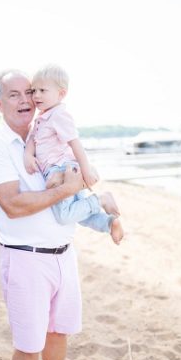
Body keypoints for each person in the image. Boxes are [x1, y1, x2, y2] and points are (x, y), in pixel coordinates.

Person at [0, 70, 89, 360]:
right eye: (13, 95)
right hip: (24, 259)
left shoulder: (47, 132)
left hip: (64, 254)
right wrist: (67, 190)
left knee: (58, 332)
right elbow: (13, 204)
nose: (24, 99)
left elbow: (77, 171)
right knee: (29, 343)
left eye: (29, 92)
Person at [23, 64, 124, 244]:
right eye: (33, 90)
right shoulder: (42, 118)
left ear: (61, 94)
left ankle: (101, 199)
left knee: (64, 215)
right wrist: (28, 155)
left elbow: (75, 144)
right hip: (60, 170)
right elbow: (33, 139)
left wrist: (86, 171)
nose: (36, 95)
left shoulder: (59, 115)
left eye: (42, 90)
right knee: (80, 213)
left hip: (63, 171)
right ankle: (110, 223)